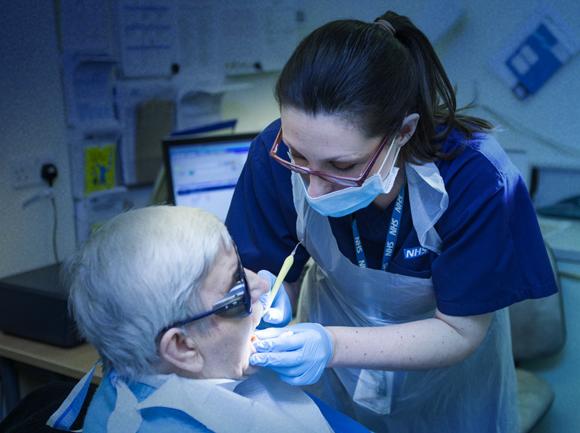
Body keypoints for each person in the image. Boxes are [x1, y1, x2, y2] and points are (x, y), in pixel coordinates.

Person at [225, 10, 558, 433]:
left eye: (341, 165)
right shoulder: (274, 153)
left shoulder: (477, 177)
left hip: (450, 389)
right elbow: (269, 268)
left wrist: (331, 344)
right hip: (334, 385)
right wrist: (270, 297)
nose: (314, 189)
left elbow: (459, 331)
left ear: (403, 131)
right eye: (300, 159)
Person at [46, 206, 371, 433]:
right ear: (183, 346)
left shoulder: (203, 366)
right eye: (236, 288)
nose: (261, 283)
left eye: (242, 267)